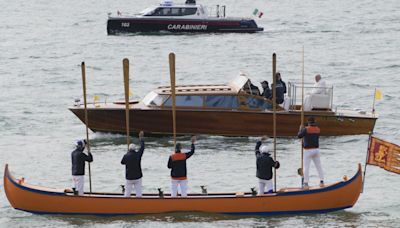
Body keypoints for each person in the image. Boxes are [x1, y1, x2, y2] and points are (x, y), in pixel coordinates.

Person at [298, 117, 324, 188]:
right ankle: (322, 181)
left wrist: (300, 129)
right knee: (319, 166)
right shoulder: (318, 129)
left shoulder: (306, 129)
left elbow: (299, 136)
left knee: (306, 167)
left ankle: (306, 183)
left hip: (308, 150)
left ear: (308, 122)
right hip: (316, 150)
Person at [121, 131, 145, 197]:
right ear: (135, 149)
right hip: (138, 176)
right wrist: (141, 139)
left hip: (129, 177)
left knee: (127, 193)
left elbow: (122, 162)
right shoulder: (138, 155)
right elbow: (142, 148)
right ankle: (139, 203)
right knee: (139, 192)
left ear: (129, 149)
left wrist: (126, 154)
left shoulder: (126, 156)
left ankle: (126, 203)